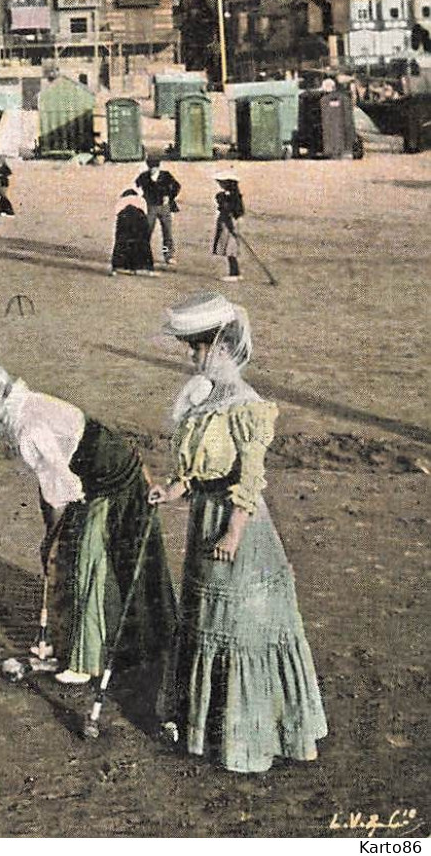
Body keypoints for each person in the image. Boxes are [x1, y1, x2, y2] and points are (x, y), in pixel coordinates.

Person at [148, 293, 327, 772]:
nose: (193, 356)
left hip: (237, 529)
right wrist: (172, 490)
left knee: (240, 630)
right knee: (208, 623)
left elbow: (249, 479)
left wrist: (233, 533)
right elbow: (200, 468)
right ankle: (207, 730)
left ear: (223, 347)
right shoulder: (206, 400)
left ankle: (249, 739)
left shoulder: (247, 406)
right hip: (206, 518)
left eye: (198, 347)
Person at [0, 356, 176, 686]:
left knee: (86, 561)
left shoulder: (27, 427)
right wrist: (52, 537)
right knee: (72, 554)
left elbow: (57, 494)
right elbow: (49, 484)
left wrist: (53, 540)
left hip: (113, 478)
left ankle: (88, 661)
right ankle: (77, 646)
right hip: (90, 476)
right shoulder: (18, 410)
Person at [134, 155, 181, 265]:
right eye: (150, 167)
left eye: (154, 168)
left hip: (164, 207)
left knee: (167, 232)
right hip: (150, 206)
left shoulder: (166, 175)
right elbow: (136, 186)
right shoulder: (144, 176)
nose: (152, 170)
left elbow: (177, 186)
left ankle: (168, 255)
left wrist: (169, 196)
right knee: (147, 230)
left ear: (158, 167)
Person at [110, 188, 158, 276]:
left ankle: (116, 268)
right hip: (140, 220)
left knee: (121, 243)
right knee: (142, 243)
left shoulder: (122, 201)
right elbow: (145, 212)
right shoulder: (141, 200)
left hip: (125, 220)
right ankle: (145, 268)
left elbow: (117, 213)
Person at [212, 171, 245, 282]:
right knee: (229, 248)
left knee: (231, 249)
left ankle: (234, 273)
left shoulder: (235, 197)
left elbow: (238, 212)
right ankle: (234, 272)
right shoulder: (224, 195)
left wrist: (233, 225)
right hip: (226, 222)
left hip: (231, 224)